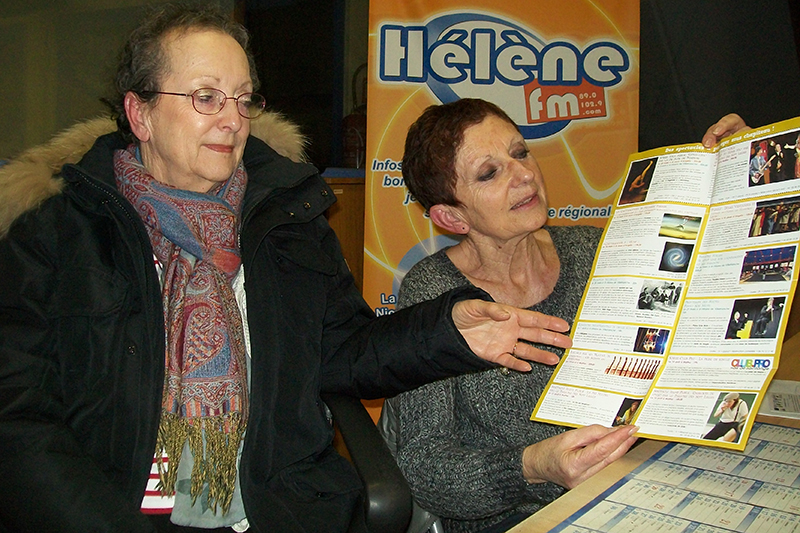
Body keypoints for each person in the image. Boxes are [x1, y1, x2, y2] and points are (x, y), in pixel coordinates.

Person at [0, 6, 577, 533]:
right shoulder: (56, 236)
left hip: (275, 511)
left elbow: (344, 351)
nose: (232, 121)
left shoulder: (285, 220)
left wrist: (445, 332)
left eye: (242, 99)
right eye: (206, 97)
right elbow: (18, 420)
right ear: (140, 113)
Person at [379, 100, 749, 533]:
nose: (524, 174)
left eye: (520, 153)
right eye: (489, 173)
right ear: (452, 216)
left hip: (640, 484)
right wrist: (532, 467)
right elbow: (424, 468)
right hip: (518, 516)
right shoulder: (432, 294)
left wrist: (738, 177)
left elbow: (705, 320)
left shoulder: (593, 250)